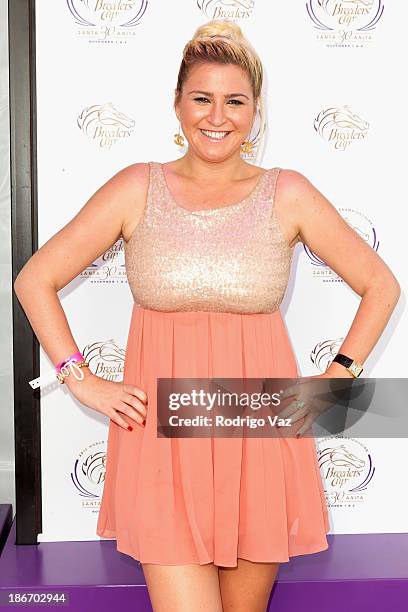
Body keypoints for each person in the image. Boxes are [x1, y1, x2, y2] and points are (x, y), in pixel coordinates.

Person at [14, 18, 400, 612]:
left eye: (234, 101)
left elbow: (380, 285)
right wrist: (81, 378)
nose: (216, 116)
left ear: (255, 112)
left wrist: (338, 375)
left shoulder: (288, 192)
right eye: (202, 98)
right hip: (163, 443)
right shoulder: (136, 188)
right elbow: (35, 278)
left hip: (259, 436)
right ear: (176, 104)